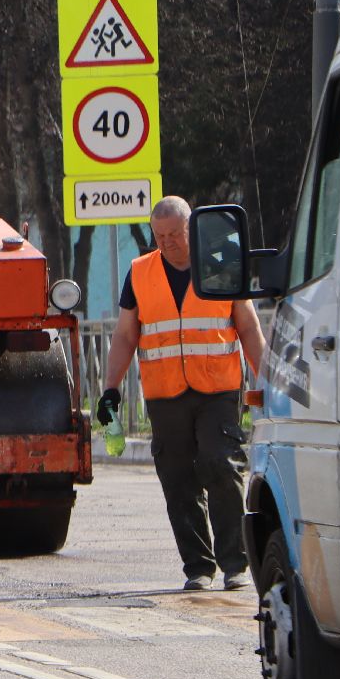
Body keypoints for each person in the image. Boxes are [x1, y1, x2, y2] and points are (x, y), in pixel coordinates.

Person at [99, 196, 266, 591]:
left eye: (175, 233)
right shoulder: (140, 272)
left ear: (192, 227)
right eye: (160, 235)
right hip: (165, 393)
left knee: (221, 466)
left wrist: (266, 381)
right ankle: (198, 568)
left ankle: (234, 564)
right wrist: (110, 388)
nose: (168, 242)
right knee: (177, 479)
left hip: (217, 389)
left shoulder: (222, 263)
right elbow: (125, 335)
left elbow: (248, 327)